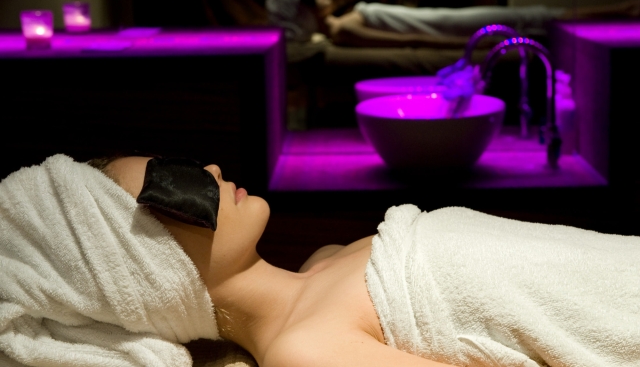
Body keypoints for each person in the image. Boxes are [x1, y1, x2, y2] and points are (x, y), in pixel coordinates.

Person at [2, 154, 640, 367]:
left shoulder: (319, 267)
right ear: (143, 271)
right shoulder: (303, 347)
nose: (213, 171)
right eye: (177, 184)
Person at [265, 0, 640, 47]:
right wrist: (453, 42)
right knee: (532, 18)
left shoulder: (345, 14)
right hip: (453, 26)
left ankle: (621, 12)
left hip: (450, 18)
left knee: (532, 16)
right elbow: (407, 39)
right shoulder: (343, 28)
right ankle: (621, 14)